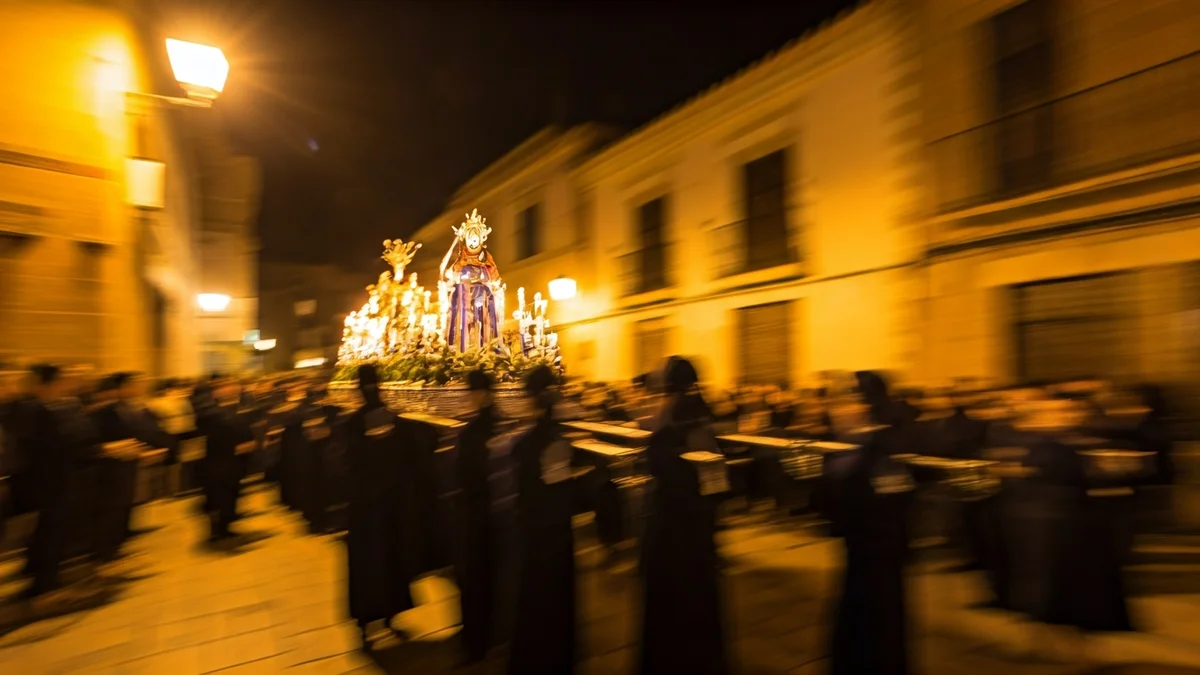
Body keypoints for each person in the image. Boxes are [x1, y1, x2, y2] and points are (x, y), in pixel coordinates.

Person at [638, 356, 728, 675]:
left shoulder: (676, 422)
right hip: (693, 531)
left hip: (673, 531)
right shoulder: (699, 419)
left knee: (676, 606)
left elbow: (661, 466)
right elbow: (716, 483)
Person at [828, 370, 915, 675]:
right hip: (859, 554)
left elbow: (890, 505)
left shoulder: (884, 449)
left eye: (846, 401)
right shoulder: (855, 445)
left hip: (879, 559)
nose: (836, 409)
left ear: (866, 405)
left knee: (877, 630)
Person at [507, 365, 577, 674]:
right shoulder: (560, 439)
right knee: (557, 598)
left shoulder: (525, 445)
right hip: (559, 530)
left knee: (535, 598)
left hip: (535, 532)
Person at [343, 363, 414, 650]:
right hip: (388, 504)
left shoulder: (351, 424)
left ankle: (365, 623)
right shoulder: (392, 419)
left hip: (363, 506)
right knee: (388, 561)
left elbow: (347, 464)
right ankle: (387, 619)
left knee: (366, 564)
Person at [455, 369, 499, 664]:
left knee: (475, 580)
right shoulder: (500, 426)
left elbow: (466, 475)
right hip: (495, 513)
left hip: (479, 514)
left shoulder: (473, 433)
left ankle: (476, 642)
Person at [195, 377, 255, 543]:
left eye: (233, 385)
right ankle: (216, 530)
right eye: (226, 386)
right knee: (217, 495)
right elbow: (210, 436)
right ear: (216, 391)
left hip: (236, 460)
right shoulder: (210, 412)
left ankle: (226, 525)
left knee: (232, 493)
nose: (232, 389)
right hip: (218, 461)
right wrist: (235, 447)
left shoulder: (237, 407)